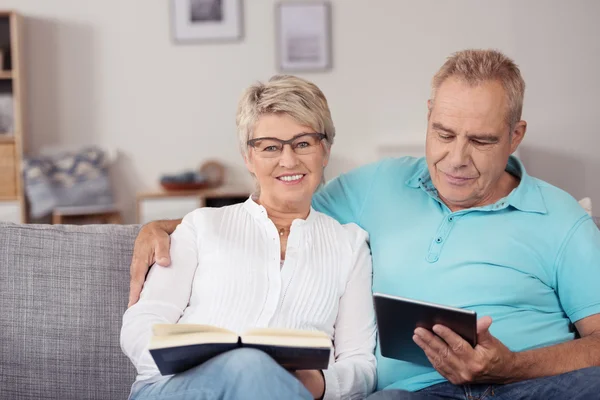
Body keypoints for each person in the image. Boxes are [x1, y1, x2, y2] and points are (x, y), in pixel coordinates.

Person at [128, 49, 600, 400]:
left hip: (536, 388)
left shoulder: (561, 218)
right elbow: (280, 206)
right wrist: (170, 225)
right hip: (414, 393)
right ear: (428, 117)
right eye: (444, 134)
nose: (457, 159)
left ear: (515, 135)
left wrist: (513, 367)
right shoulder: (379, 186)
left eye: (481, 140)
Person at [120, 75, 377, 400]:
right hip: (181, 388)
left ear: (324, 151)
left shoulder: (349, 246)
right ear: (248, 158)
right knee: (249, 366)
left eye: (303, 143)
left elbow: (361, 364)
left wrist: (318, 383)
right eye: (270, 147)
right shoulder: (201, 226)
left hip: (290, 393)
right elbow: (144, 319)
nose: (288, 160)